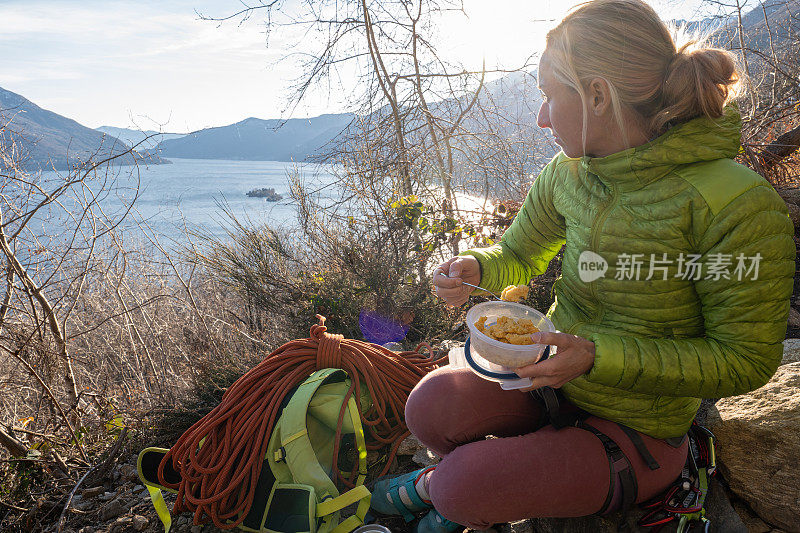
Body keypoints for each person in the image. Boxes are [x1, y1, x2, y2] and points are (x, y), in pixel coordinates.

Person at [368, 0, 796, 531]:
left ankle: (440, 493)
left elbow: (744, 361)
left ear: (598, 95)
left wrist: (596, 357)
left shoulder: (735, 204)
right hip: (550, 381)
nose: (541, 116)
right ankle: (473, 480)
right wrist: (475, 268)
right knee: (428, 407)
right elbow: (521, 254)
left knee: (460, 487)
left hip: (641, 427)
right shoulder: (569, 172)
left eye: (550, 95)